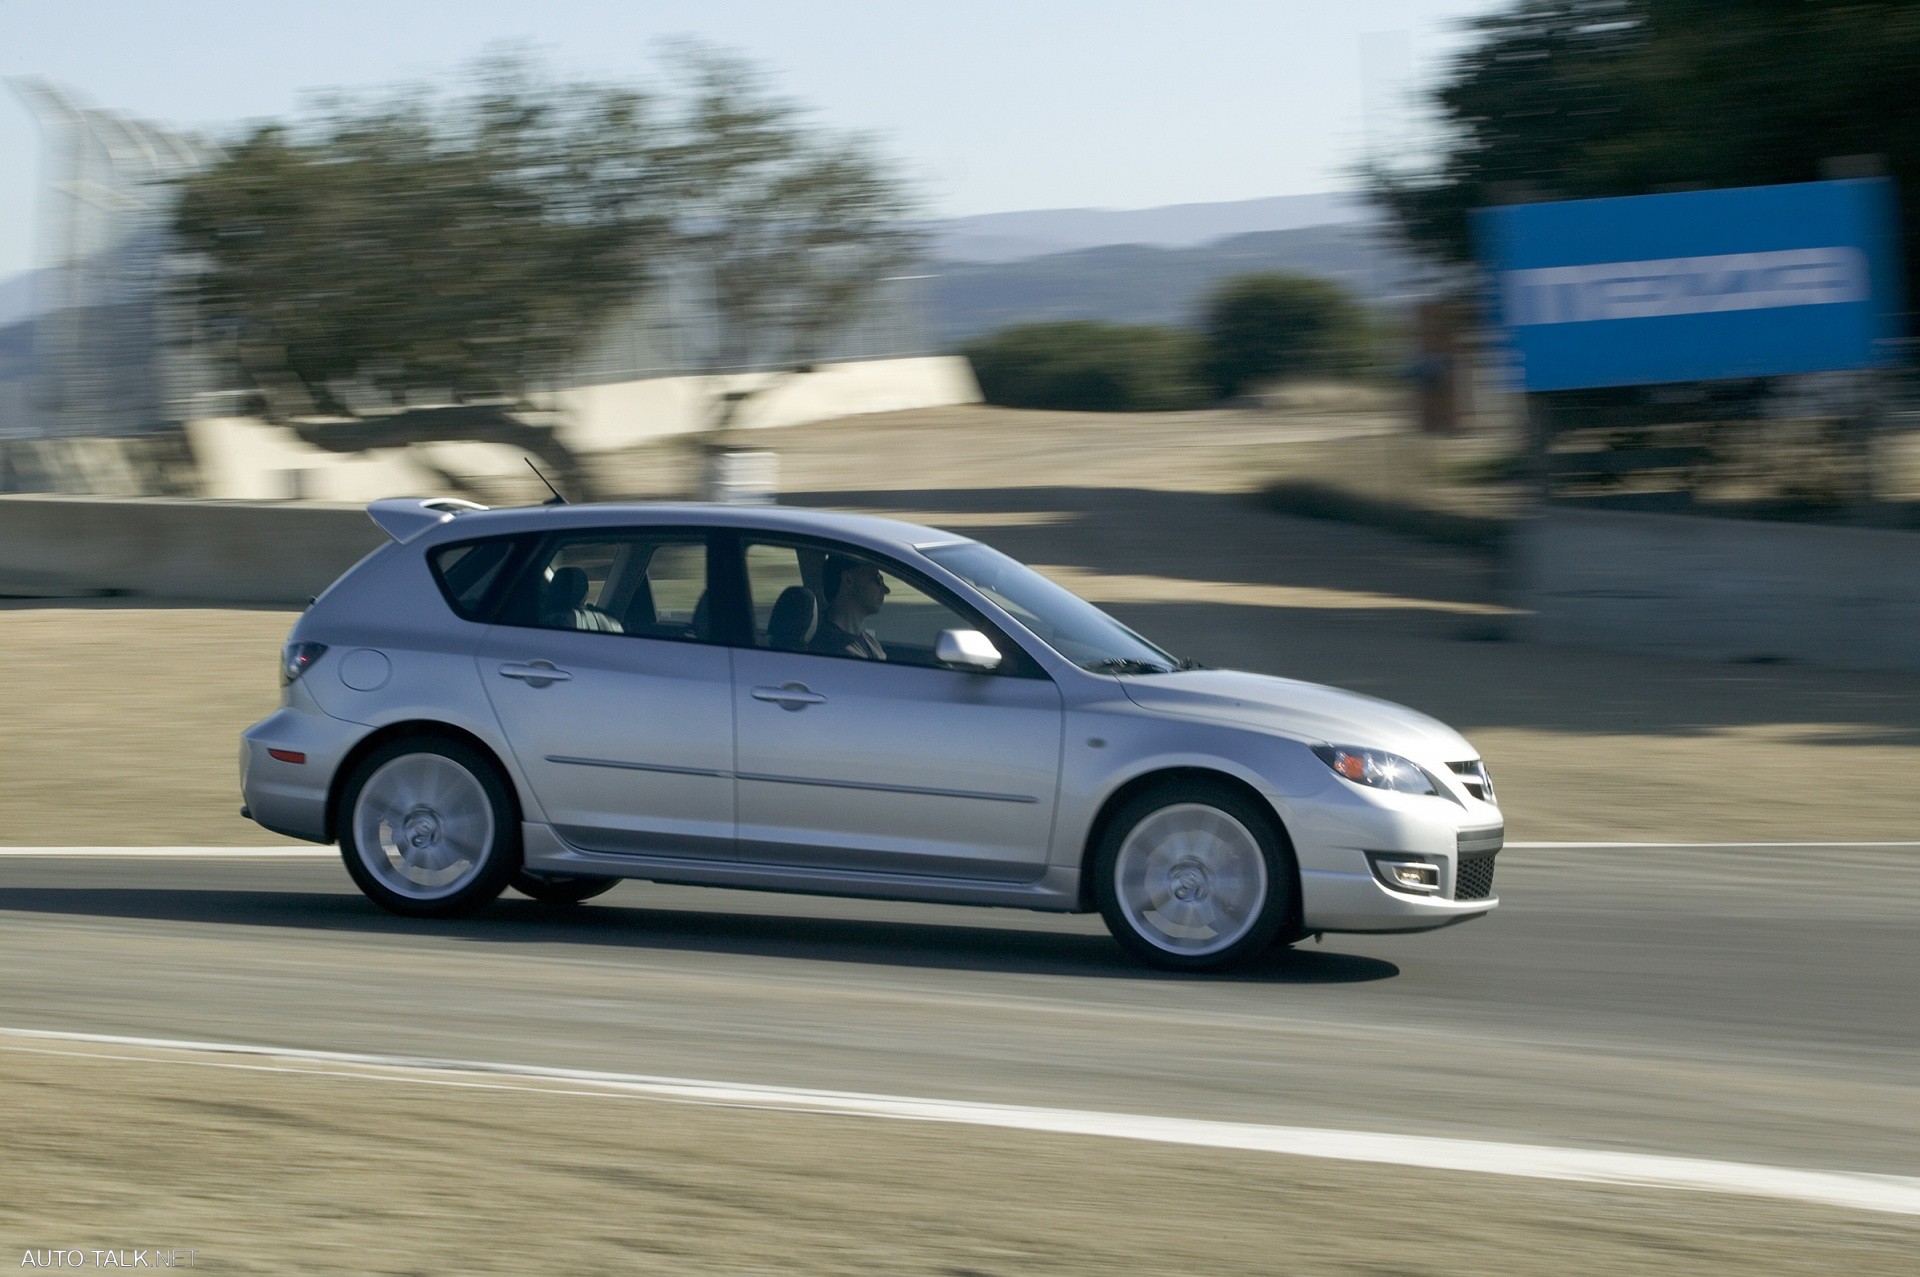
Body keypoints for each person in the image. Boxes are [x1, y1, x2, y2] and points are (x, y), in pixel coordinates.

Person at [810, 555, 888, 660]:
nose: (887, 590)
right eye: (878, 579)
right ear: (848, 580)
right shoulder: (835, 651)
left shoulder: (868, 641)